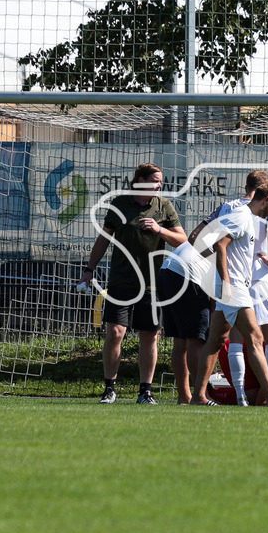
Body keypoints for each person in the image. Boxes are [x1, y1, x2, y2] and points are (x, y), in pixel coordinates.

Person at [79, 163, 187, 404]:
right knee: (115, 332)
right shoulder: (119, 204)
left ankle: (145, 391)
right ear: (140, 180)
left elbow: (183, 240)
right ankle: (109, 389)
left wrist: (160, 230)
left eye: (161, 181)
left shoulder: (164, 206)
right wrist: (89, 270)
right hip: (121, 281)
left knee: (150, 336)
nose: (160, 185)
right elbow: (103, 240)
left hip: (152, 284)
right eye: (156, 180)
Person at [190, 183, 268, 407]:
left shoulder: (248, 218)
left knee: (216, 340)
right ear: (266, 199)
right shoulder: (241, 216)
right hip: (235, 289)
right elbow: (219, 244)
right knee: (257, 338)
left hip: (233, 288)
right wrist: (227, 282)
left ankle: (198, 396)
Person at [156, 241, 212, 404]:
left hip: (167, 272)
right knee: (196, 340)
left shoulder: (216, 228)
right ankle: (200, 396)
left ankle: (184, 396)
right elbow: (218, 300)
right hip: (186, 274)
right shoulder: (235, 239)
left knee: (180, 341)